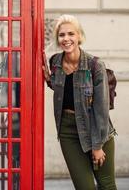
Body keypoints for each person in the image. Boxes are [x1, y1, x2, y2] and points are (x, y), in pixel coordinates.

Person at [43, 14, 117, 190]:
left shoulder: (94, 65)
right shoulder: (55, 62)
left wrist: (97, 146)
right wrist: (48, 79)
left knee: (106, 185)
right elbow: (65, 89)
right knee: (84, 187)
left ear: (79, 36)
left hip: (96, 129)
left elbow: (101, 108)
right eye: (62, 35)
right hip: (68, 131)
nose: (66, 39)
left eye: (71, 34)